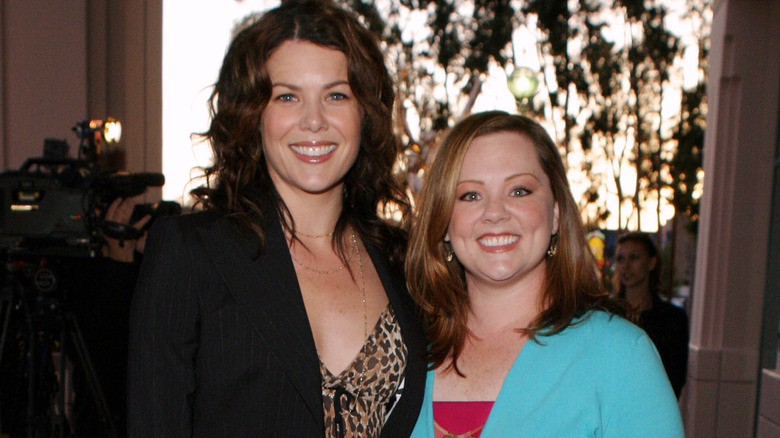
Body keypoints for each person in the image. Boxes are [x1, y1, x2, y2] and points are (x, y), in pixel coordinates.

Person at [127, 1, 426, 437]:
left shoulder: (402, 262)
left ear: (364, 113)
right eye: (287, 96)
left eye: (336, 95)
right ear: (254, 116)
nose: (314, 121)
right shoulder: (190, 253)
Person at [406, 111, 684, 437]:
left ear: (555, 214)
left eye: (519, 191)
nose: (494, 213)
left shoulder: (620, 356)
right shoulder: (405, 352)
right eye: (470, 195)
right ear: (445, 224)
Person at [614, 231, 689, 398]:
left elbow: (675, 377)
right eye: (620, 259)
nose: (625, 266)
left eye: (634, 257)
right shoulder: (607, 315)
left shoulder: (673, 319)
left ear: (651, 262)